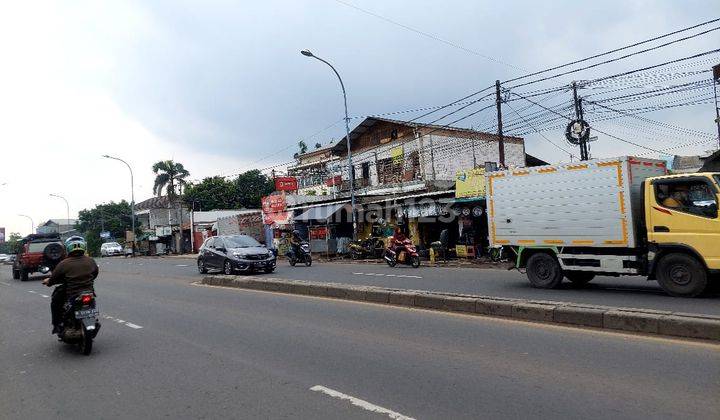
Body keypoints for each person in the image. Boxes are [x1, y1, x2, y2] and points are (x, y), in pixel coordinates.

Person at [42, 236, 99, 335]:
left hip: (72, 293)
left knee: (55, 301)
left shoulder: (63, 264)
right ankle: (91, 322)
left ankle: (56, 325)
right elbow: (95, 274)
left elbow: (53, 278)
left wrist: (48, 282)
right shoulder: (91, 261)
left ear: (67, 248)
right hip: (88, 290)